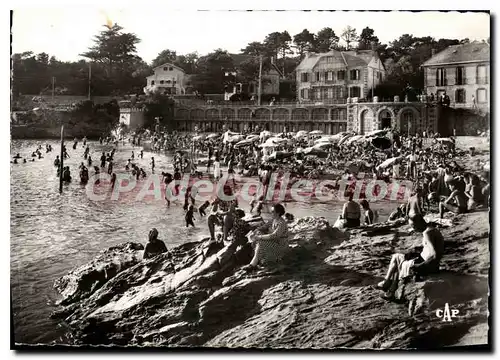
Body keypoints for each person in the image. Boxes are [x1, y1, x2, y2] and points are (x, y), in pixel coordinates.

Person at [374, 221, 444, 300]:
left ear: (417, 224)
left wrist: (420, 265)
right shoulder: (433, 230)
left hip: (427, 266)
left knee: (400, 263)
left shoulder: (427, 233)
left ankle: (390, 287)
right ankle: (388, 284)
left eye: (413, 227)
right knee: (397, 257)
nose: (414, 229)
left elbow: (434, 254)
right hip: (430, 263)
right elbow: (430, 250)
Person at [243, 203, 289, 271]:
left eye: (273, 212)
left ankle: (253, 264)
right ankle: (257, 259)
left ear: (278, 213)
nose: (271, 213)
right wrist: (256, 231)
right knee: (258, 234)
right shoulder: (273, 219)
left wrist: (259, 237)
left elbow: (274, 236)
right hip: (274, 241)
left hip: (280, 244)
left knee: (260, 241)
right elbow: (265, 226)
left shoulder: (281, 223)